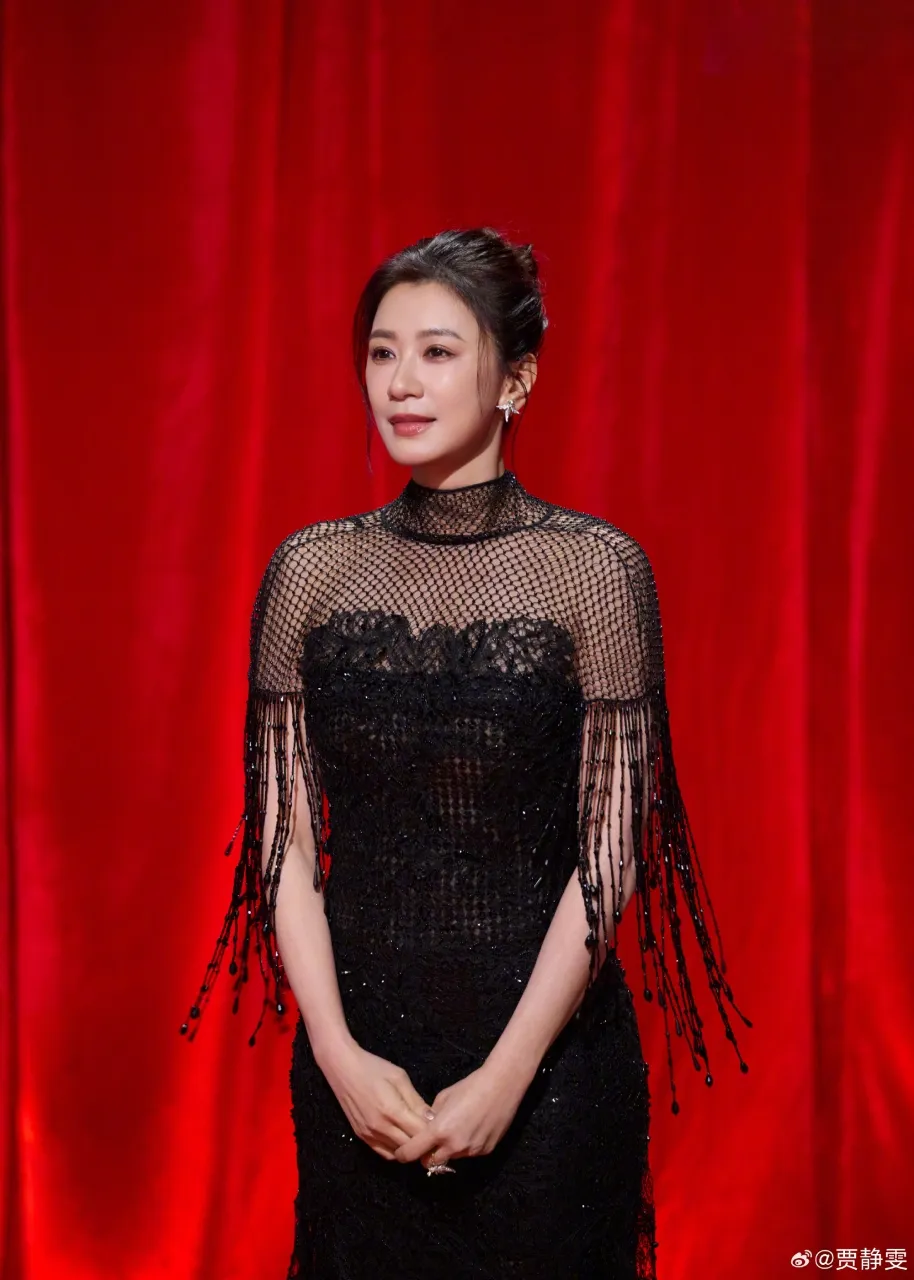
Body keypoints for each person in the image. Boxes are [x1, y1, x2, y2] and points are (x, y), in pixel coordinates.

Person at [181, 227, 752, 1278]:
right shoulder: (308, 571)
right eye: (381, 351)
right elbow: (283, 845)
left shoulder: (594, 571)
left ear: (515, 380)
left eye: (437, 352)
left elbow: (609, 852)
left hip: (547, 1077)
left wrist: (506, 1075)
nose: (400, 381)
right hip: (359, 1073)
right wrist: (337, 1055)